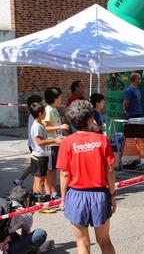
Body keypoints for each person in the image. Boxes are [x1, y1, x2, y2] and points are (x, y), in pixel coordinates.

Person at [57, 100, 116, 254]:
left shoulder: (67, 143)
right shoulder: (102, 140)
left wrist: (63, 198)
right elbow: (110, 170)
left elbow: (64, 173)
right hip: (100, 194)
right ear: (90, 119)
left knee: (82, 242)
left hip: (76, 196)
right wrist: (112, 195)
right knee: (104, 240)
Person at [0, 186, 55, 254]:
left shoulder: (3, 204)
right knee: (40, 233)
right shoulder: (25, 213)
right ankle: (36, 250)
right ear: (27, 199)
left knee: (11, 231)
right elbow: (25, 236)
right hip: (5, 251)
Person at [29, 102, 62, 200]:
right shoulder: (38, 126)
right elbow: (40, 142)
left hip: (38, 155)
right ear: (40, 114)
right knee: (40, 180)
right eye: (44, 113)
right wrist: (54, 141)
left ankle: (35, 200)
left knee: (37, 179)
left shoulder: (38, 124)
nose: (46, 114)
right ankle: (39, 201)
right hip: (40, 156)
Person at [42, 87, 69, 200]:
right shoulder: (48, 109)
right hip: (51, 144)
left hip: (57, 142)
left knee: (54, 169)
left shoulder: (54, 109)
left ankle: (53, 192)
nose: (61, 99)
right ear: (55, 98)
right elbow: (45, 126)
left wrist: (60, 134)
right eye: (59, 97)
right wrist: (60, 126)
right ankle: (50, 193)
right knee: (51, 170)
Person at [14, 95, 43, 187]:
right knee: (38, 166)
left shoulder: (32, 115)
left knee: (34, 165)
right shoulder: (35, 116)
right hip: (35, 144)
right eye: (40, 102)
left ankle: (20, 179)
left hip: (32, 144)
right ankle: (38, 186)